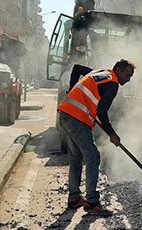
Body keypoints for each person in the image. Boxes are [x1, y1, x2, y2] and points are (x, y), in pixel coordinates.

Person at [57, 59, 136, 216]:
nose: (128, 79)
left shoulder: (99, 72)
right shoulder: (112, 83)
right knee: (93, 157)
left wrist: (72, 89)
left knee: (76, 158)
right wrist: (112, 134)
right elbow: (102, 112)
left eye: (131, 76)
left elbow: (77, 67)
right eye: (128, 75)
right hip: (76, 119)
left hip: (66, 114)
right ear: (118, 70)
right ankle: (92, 202)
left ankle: (74, 198)